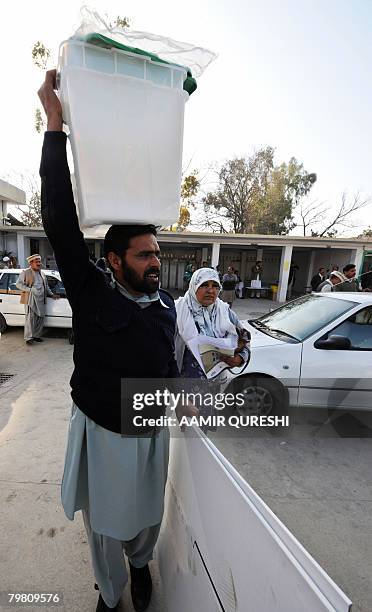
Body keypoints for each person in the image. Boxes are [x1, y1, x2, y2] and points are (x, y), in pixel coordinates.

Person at [38, 70, 196, 612]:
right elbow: (59, 219)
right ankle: (112, 592)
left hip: (149, 430)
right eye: (145, 255)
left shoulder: (168, 304)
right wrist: (55, 126)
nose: (157, 263)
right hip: (103, 429)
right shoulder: (92, 294)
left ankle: (140, 565)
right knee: (104, 526)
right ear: (114, 260)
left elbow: (173, 363)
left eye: (158, 254)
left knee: (146, 516)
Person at [174, 268, 250, 430]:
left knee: (203, 435)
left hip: (212, 387)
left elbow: (245, 337)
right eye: (204, 285)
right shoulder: (177, 310)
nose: (210, 290)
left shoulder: (224, 311)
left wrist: (239, 357)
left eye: (215, 286)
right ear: (194, 286)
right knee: (183, 434)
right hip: (184, 388)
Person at [16, 254, 58, 344]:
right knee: (30, 319)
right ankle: (28, 338)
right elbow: (18, 284)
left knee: (40, 318)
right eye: (37, 262)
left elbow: (46, 286)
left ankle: (36, 336)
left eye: (39, 261)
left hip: (41, 299)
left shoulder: (42, 273)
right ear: (31, 263)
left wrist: (51, 294)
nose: (39, 263)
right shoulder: (25, 272)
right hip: (30, 298)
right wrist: (30, 290)